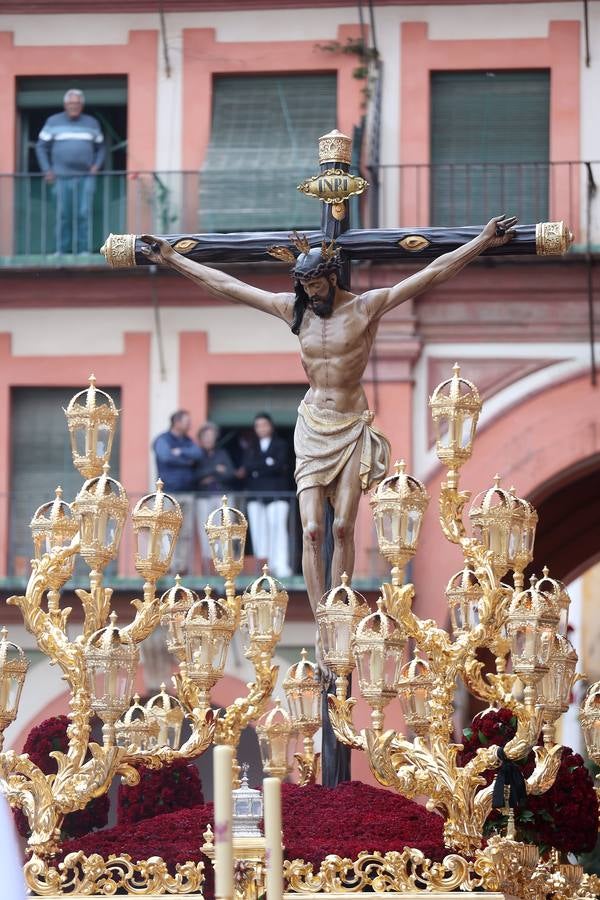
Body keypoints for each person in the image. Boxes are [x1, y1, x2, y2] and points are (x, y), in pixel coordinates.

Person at [140, 216, 517, 640]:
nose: (311, 294)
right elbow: (229, 286)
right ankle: (324, 624)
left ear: (332, 278)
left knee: (342, 527)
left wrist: (481, 242)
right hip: (312, 424)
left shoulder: (365, 307)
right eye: (305, 287)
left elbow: (431, 273)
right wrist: (172, 259)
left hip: (350, 425)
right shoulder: (295, 310)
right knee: (313, 530)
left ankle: (341, 606)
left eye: (316, 286)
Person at [35, 88, 105, 255]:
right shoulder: (53, 122)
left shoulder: (92, 123)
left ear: (82, 105)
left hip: (86, 177)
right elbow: (41, 147)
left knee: (83, 214)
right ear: (65, 104)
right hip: (60, 177)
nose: (74, 106)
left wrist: (97, 165)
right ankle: (61, 250)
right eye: (71, 103)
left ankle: (83, 250)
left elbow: (101, 148)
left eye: (77, 103)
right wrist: (47, 169)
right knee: (63, 214)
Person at [242, 413, 292, 578]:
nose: (261, 428)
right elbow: (248, 466)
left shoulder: (281, 444)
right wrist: (267, 464)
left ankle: (280, 566)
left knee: (278, 529)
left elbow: (280, 465)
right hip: (255, 495)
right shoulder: (251, 447)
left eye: (264, 425)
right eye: (258, 426)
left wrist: (258, 469)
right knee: (258, 532)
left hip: (277, 494)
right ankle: (262, 567)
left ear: (271, 426)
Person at [153, 410, 202, 575]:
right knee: (167, 530)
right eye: (187, 421)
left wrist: (179, 452)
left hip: (188, 492)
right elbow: (166, 456)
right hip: (169, 493)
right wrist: (187, 461)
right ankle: (167, 565)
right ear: (177, 422)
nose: (190, 425)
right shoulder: (163, 439)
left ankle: (181, 567)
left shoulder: (188, 441)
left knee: (185, 532)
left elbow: (198, 454)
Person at [195, 421, 235, 568]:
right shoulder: (197, 455)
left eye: (211, 436)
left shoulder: (222, 454)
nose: (208, 439)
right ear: (201, 438)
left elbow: (230, 473)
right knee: (206, 531)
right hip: (203, 498)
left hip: (221, 498)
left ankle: (224, 564)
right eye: (205, 436)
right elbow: (195, 476)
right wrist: (216, 469)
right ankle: (209, 565)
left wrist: (210, 475)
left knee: (223, 530)